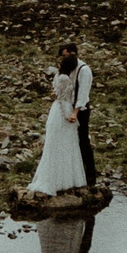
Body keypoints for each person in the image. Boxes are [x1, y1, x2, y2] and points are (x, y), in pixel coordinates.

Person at [27, 54, 88, 195]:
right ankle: (63, 180)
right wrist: (68, 115)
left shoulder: (58, 75)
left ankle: (59, 179)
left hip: (59, 109)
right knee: (65, 143)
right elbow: (61, 99)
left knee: (60, 143)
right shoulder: (64, 78)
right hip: (63, 108)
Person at [59, 41, 98, 188]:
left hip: (80, 109)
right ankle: (73, 174)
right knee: (70, 141)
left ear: (72, 53)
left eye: (65, 55)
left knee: (83, 141)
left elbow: (83, 95)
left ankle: (90, 177)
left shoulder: (84, 70)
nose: (63, 59)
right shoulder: (68, 68)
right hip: (69, 107)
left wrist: (75, 112)